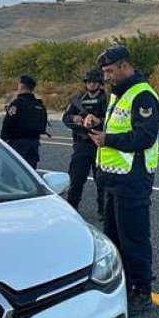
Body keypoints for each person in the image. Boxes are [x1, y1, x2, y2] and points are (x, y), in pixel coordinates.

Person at [90, 44, 159, 313]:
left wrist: (107, 139)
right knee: (114, 237)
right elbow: (117, 127)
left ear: (124, 66)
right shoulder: (119, 94)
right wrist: (96, 125)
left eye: (109, 71)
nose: (106, 77)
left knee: (134, 238)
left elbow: (144, 136)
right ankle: (124, 284)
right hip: (113, 180)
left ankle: (142, 292)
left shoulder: (142, 95)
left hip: (133, 179)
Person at [61, 68, 109, 211]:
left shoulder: (107, 99)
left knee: (102, 181)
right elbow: (66, 118)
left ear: (100, 83)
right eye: (89, 82)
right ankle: (72, 208)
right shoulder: (78, 99)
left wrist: (98, 121)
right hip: (82, 143)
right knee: (76, 178)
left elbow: (113, 120)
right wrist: (77, 119)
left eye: (94, 82)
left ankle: (103, 210)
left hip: (100, 144)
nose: (92, 85)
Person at [0, 74, 48, 169]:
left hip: (17, 144)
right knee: (30, 174)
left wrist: (2, 140)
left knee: (9, 173)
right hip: (34, 145)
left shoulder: (17, 103)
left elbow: (7, 124)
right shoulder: (38, 104)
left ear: (21, 85)